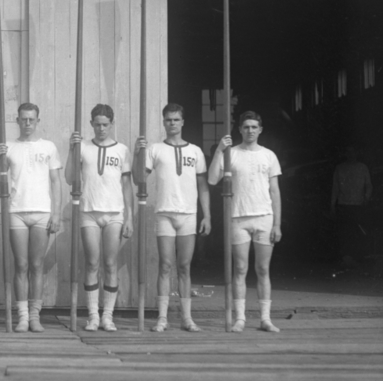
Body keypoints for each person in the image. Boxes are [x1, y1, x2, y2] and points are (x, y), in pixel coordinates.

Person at [133, 103, 211, 333]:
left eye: (176, 119)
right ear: (163, 122)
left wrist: (207, 215)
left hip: (188, 213)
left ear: (183, 122)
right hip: (165, 213)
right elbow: (139, 179)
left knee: (184, 266)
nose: (172, 124)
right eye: (168, 120)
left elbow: (203, 185)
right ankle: (163, 318)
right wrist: (139, 153)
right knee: (166, 265)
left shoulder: (195, 151)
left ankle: (187, 318)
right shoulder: (155, 149)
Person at [208, 111, 282, 333]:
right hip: (238, 218)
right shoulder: (232, 154)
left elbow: (275, 191)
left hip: (264, 217)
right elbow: (212, 179)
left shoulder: (269, 155)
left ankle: (265, 319)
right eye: (246, 127)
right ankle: (240, 318)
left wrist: (277, 224)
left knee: (262, 268)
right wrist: (220, 150)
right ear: (239, 129)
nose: (250, 130)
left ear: (260, 130)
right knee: (239, 268)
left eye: (254, 127)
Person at [0, 103, 62, 332]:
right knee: (21, 265)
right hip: (17, 211)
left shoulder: (48, 147)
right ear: (18, 120)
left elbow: (55, 182)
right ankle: (22, 316)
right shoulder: (8, 147)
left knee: (36, 265)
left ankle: (34, 316)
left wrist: (57, 212)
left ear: (38, 121)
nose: (28, 123)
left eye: (32, 119)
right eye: (24, 119)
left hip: (42, 211)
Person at [65, 103, 133, 332]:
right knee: (92, 263)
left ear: (111, 124)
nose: (101, 129)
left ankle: (108, 316)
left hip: (114, 212)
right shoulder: (83, 147)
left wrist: (130, 217)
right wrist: (71, 150)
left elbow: (126, 186)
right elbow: (69, 178)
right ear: (91, 124)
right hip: (89, 212)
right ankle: (93, 316)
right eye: (97, 124)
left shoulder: (122, 150)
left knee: (110, 263)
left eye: (105, 125)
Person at [331, 145, 373, 268]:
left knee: (357, 232)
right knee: (345, 232)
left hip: (358, 205)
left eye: (353, 152)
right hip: (343, 205)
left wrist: (366, 198)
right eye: (348, 152)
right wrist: (332, 205)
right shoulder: (340, 168)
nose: (351, 154)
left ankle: (356, 258)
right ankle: (346, 258)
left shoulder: (362, 167)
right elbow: (335, 188)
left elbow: (369, 185)